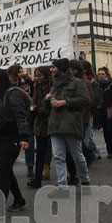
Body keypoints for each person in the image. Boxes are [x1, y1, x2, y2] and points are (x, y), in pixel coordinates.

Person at [0, 69, 31, 214]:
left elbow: (20, 116)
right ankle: (19, 199)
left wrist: (24, 137)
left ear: (1, 79)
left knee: (2, 172)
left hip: (10, 138)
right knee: (6, 170)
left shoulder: (12, 94)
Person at [46, 58, 90, 188]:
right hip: (55, 125)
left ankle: (84, 178)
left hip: (70, 124)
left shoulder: (77, 83)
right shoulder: (54, 85)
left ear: (61, 68)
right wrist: (47, 100)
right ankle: (62, 184)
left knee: (77, 155)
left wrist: (65, 102)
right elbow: (50, 107)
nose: (51, 70)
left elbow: (86, 100)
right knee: (58, 156)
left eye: (53, 67)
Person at [7, 64, 34, 177]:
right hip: (13, 117)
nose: (21, 74)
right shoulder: (9, 85)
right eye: (19, 72)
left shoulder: (26, 82)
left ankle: (30, 166)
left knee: (29, 142)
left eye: (22, 71)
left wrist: (27, 78)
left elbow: (33, 88)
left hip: (27, 115)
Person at [27, 66, 52, 189]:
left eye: (40, 75)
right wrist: (33, 109)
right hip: (40, 123)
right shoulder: (37, 87)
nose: (38, 78)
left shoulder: (52, 88)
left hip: (51, 123)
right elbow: (34, 102)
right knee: (40, 151)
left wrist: (38, 110)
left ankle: (71, 174)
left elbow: (49, 108)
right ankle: (37, 178)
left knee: (60, 151)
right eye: (36, 76)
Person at [70, 60, 96, 165]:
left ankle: (88, 155)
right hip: (72, 116)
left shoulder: (85, 82)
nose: (71, 72)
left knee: (80, 140)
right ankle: (87, 155)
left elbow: (89, 101)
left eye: (73, 70)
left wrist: (80, 112)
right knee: (76, 140)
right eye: (69, 69)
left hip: (82, 116)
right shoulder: (69, 82)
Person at [95, 67, 112, 158]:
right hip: (101, 109)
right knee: (105, 132)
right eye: (99, 74)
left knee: (109, 130)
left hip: (109, 109)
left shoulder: (111, 85)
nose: (101, 76)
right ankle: (109, 150)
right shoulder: (97, 85)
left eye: (102, 74)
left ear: (106, 75)